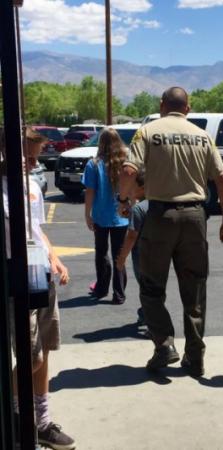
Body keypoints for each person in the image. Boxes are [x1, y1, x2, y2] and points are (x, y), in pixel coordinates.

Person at [118, 86, 223, 377]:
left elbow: (129, 170)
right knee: (194, 289)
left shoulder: (147, 132)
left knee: (151, 286)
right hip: (195, 217)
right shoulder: (202, 135)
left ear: (161, 105)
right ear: (188, 108)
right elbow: (222, 180)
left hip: (160, 216)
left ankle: (164, 344)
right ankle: (194, 357)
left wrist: (124, 199)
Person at [1, 127, 75, 449]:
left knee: (42, 351)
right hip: (14, 279)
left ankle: (41, 421)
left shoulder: (31, 185)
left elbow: (37, 230)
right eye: (26, 156)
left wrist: (55, 257)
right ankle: (19, 421)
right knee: (27, 357)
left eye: (35, 157)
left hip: (40, 275)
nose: (32, 164)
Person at [82, 127, 129, 304]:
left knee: (101, 252)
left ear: (101, 142)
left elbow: (90, 191)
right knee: (119, 253)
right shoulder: (125, 162)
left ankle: (102, 288)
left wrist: (87, 214)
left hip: (101, 215)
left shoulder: (93, 164)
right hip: (121, 216)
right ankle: (119, 293)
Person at [116, 169, 149, 329]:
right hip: (158, 252)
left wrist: (122, 258)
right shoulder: (155, 204)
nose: (129, 190)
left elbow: (131, 236)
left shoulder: (138, 209)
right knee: (154, 286)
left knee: (146, 288)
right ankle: (144, 314)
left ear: (142, 188)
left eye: (133, 187)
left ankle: (151, 320)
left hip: (141, 255)